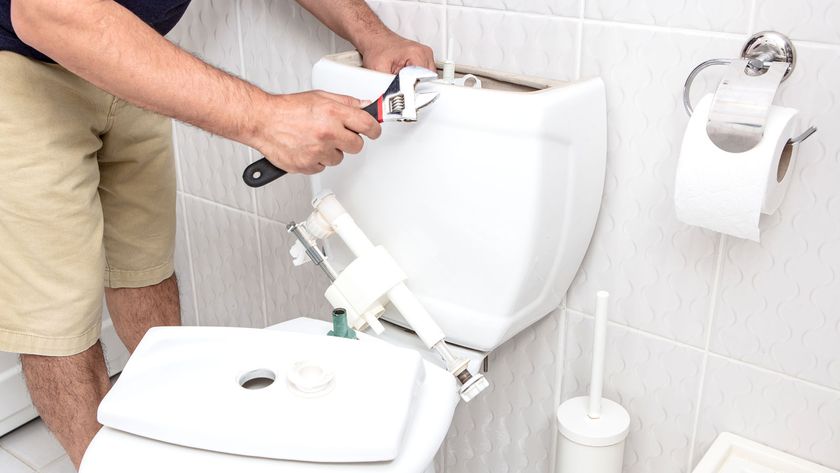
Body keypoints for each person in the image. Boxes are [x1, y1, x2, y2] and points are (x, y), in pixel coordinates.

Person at [0, 0, 435, 468]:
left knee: (144, 269)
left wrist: (370, 33)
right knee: (58, 323)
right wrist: (264, 118)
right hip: (26, 62)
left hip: (131, 53)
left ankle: (173, 445)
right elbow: (48, 10)